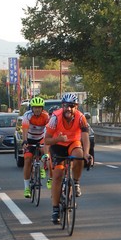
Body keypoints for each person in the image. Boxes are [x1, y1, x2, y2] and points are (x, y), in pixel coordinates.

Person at [45, 93, 92, 224]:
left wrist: (87, 153)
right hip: (57, 145)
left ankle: (75, 182)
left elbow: (85, 137)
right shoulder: (55, 118)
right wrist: (58, 139)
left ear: (76, 107)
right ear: (62, 106)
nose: (69, 109)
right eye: (66, 106)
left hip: (73, 143)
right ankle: (55, 209)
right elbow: (46, 140)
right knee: (58, 175)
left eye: (72, 106)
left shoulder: (81, 117)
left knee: (79, 155)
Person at [21, 96, 50, 198]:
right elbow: (25, 129)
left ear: (42, 108)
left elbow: (49, 130)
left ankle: (41, 167)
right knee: (28, 159)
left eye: (39, 107)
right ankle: (26, 188)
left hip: (41, 138)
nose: (37, 109)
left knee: (44, 151)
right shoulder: (27, 116)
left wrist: (48, 142)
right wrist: (25, 141)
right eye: (35, 107)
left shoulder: (46, 116)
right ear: (31, 108)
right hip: (30, 139)